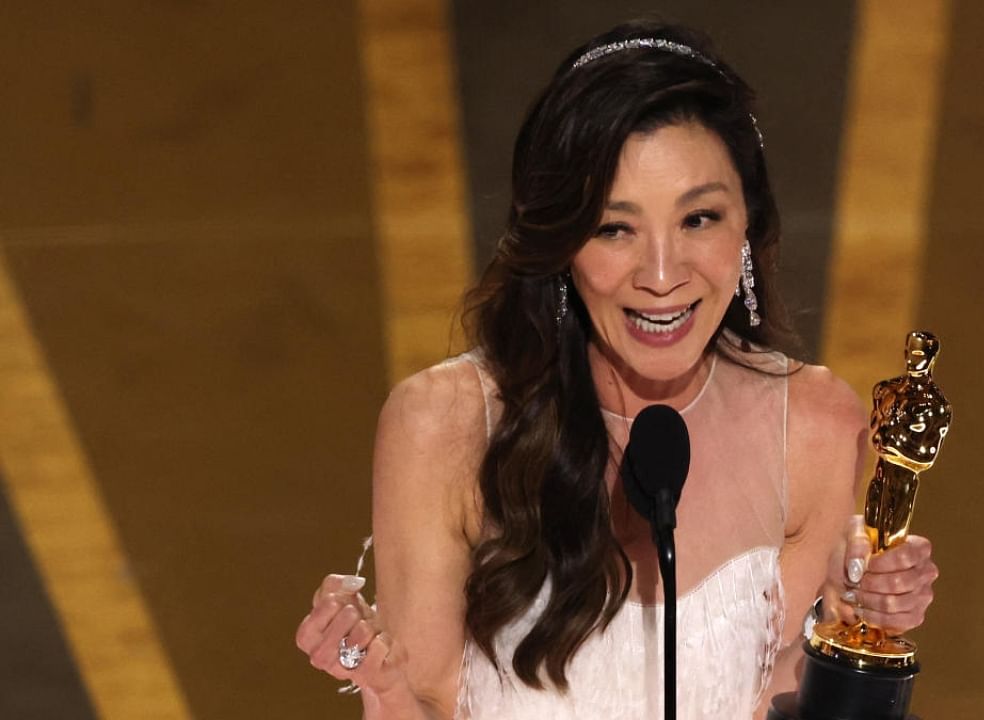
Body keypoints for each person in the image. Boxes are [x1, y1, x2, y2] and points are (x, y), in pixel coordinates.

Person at [295, 19, 938, 720]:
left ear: (747, 225)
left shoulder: (813, 428)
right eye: (614, 227)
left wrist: (849, 636)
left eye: (699, 219)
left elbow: (777, 704)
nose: (662, 276)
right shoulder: (444, 427)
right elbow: (423, 702)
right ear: (561, 242)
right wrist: (380, 684)